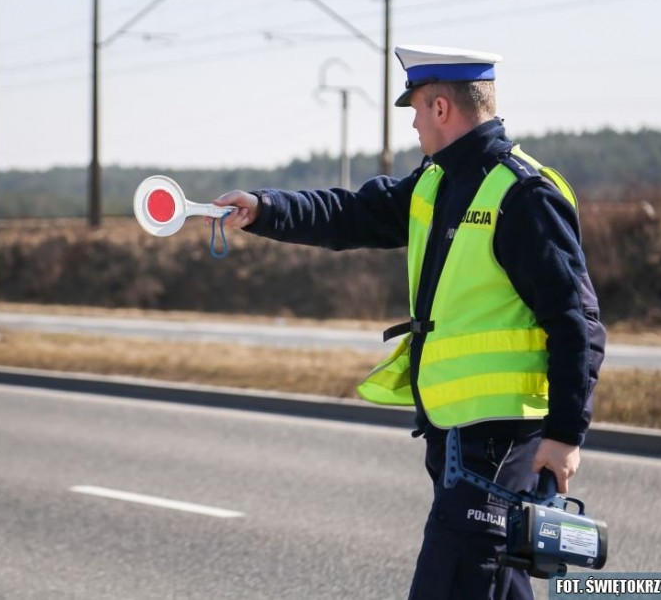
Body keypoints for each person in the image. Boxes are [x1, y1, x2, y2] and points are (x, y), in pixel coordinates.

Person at [211, 44, 606, 600]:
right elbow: (351, 213)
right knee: (493, 581)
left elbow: (576, 322)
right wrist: (266, 207)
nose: (415, 122)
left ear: (442, 107)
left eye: (417, 109)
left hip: (499, 440)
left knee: (452, 584)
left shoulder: (523, 193)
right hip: (453, 437)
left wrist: (565, 435)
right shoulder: (436, 182)